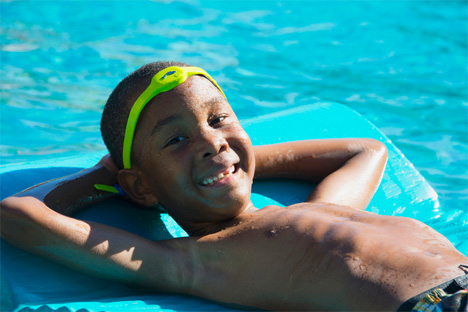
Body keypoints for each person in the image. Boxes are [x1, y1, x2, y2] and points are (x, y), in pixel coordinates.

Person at [1, 61, 467, 312]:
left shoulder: (325, 206)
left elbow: (364, 151)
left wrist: (230, 159)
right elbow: (16, 215)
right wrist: (104, 180)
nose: (210, 141)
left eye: (219, 119)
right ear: (140, 186)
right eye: (176, 140)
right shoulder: (195, 261)